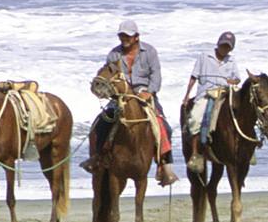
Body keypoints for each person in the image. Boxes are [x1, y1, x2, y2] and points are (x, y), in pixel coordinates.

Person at [84, 18, 177, 186]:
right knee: (101, 124)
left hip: (144, 94)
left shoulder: (149, 52)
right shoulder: (114, 54)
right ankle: (97, 157)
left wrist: (149, 92)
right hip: (120, 96)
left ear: (136, 37)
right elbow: (108, 76)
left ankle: (165, 166)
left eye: (128, 36)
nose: (124, 39)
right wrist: (107, 91)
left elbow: (156, 75)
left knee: (164, 127)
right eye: (122, 36)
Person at [181, 30, 243, 168]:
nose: (224, 49)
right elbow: (194, 77)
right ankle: (195, 153)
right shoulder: (204, 57)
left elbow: (237, 78)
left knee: (243, 110)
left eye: (227, 47)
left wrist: (232, 81)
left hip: (225, 93)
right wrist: (186, 95)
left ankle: (248, 147)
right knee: (195, 119)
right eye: (223, 45)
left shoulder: (231, 60)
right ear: (218, 44)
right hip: (206, 93)